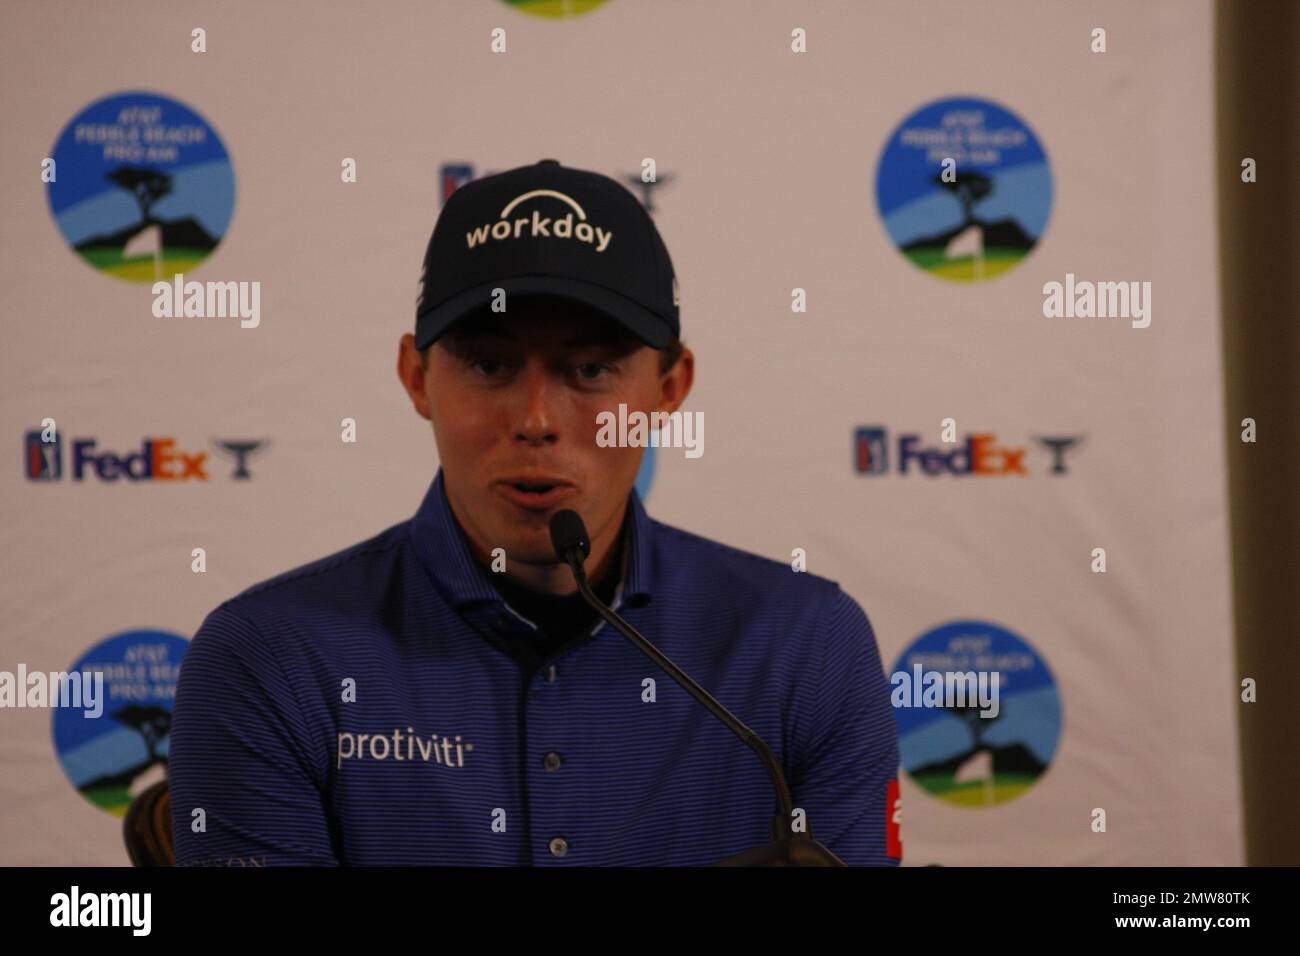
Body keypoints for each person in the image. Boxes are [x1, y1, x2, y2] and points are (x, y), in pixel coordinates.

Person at [168, 159, 901, 866]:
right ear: (416, 378)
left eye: (590, 370)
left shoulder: (808, 647)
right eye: (490, 365)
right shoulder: (268, 659)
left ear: (670, 387)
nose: (538, 419)